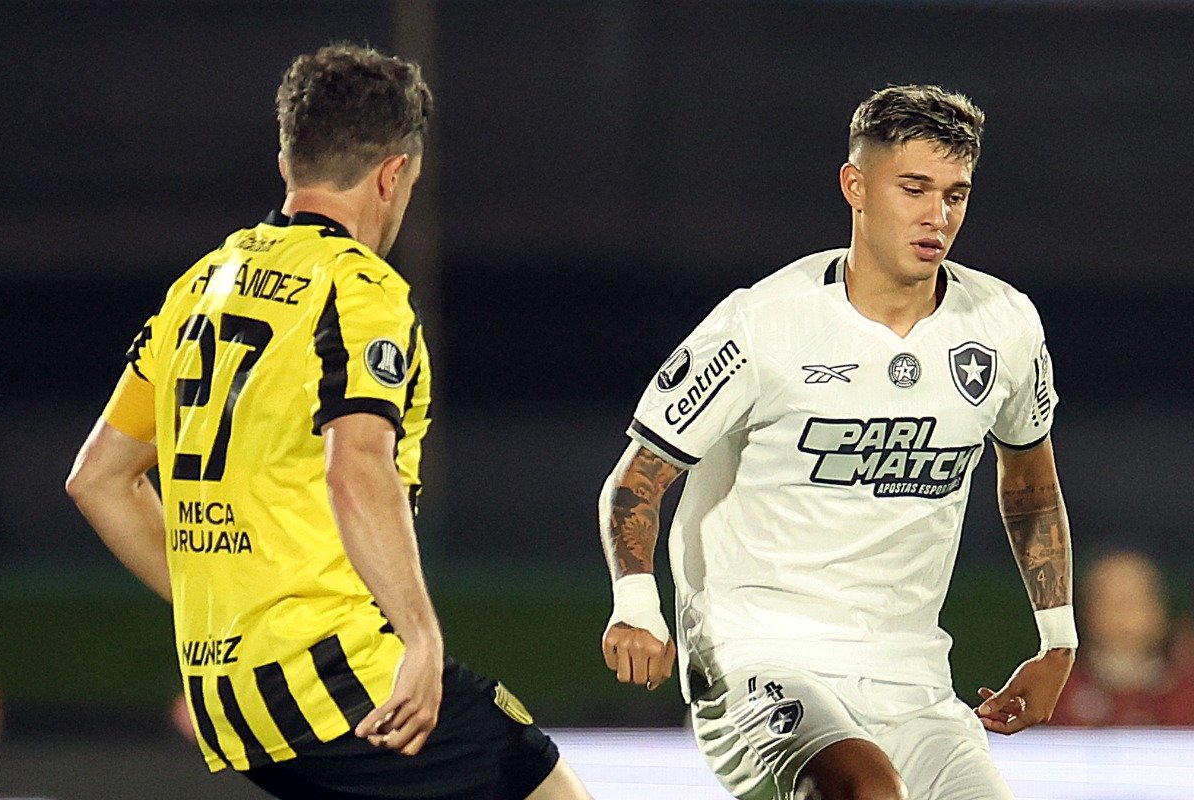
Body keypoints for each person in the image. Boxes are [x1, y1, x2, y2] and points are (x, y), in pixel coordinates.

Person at [66, 43, 589, 800]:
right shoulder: (359, 290)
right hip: (330, 679)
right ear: (393, 174)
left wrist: (231, 611)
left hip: (225, 696)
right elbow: (358, 465)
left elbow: (99, 479)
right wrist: (420, 635)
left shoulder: (199, 288)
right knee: (540, 784)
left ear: (288, 163)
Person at [598, 85, 1077, 800]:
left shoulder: (1004, 325)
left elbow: (1031, 485)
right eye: (913, 188)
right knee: (864, 790)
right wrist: (636, 603)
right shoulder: (761, 324)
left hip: (909, 670)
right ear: (855, 185)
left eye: (955, 194)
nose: (937, 216)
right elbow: (638, 480)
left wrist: (1057, 639)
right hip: (756, 652)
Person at [1050, 550, 1194, 726]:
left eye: (1138, 598)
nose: (1128, 612)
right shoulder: (1055, 696)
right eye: (1116, 601)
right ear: (1089, 612)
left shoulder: (1186, 693)